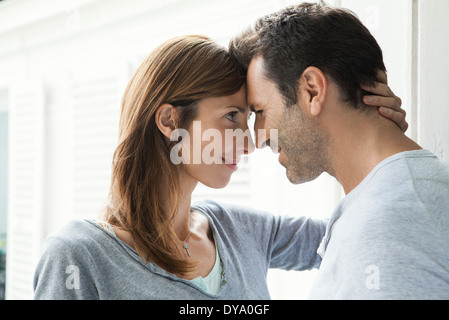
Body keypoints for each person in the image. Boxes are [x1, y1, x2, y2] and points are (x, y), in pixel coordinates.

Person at [33, 35, 406, 299]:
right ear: (169, 121)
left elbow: (361, 234)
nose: (249, 142)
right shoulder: (79, 256)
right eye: (231, 116)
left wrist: (366, 129)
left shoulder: (241, 231)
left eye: (248, 119)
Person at [229, 2, 449, 299]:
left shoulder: (389, 227)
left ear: (312, 90)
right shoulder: (398, 198)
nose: (259, 138)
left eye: (260, 111)